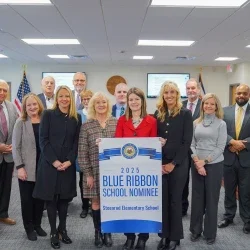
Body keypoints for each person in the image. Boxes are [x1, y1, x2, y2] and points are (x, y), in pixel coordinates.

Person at [33, 85, 81, 249]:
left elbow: (76, 143)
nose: (64, 99)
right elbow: (43, 141)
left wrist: (69, 160)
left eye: (67, 96)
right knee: (51, 200)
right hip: (49, 165)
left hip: (67, 166)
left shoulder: (76, 118)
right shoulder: (47, 114)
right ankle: (53, 231)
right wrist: (54, 161)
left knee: (64, 199)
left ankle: (63, 229)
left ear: (71, 98)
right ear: (56, 98)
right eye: (61, 96)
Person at [115, 87, 157, 250]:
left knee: (143, 204)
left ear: (142, 101)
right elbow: (117, 143)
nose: (133, 102)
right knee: (128, 204)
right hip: (126, 170)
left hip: (145, 171)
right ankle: (130, 236)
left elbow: (153, 144)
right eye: (130, 99)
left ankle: (143, 237)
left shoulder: (151, 121)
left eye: (136, 99)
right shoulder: (121, 120)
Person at [154, 81, 193, 250]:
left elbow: (186, 142)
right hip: (161, 164)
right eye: (166, 92)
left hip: (179, 164)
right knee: (162, 201)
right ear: (162, 95)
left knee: (175, 201)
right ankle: (164, 235)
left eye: (172, 92)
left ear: (177, 94)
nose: (169, 95)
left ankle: (175, 238)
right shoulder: (158, 113)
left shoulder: (185, 113)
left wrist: (173, 163)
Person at [78, 92, 117, 248]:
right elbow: (82, 152)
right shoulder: (87, 125)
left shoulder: (115, 122)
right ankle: (97, 231)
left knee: (108, 202)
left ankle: (107, 232)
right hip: (93, 170)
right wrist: (87, 174)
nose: (101, 105)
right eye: (97, 103)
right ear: (93, 105)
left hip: (112, 171)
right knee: (95, 202)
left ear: (108, 105)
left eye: (104, 102)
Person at [189, 93, 227, 245]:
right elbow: (191, 144)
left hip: (214, 165)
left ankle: (210, 233)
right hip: (196, 163)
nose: (208, 106)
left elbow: (220, 147)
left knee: (211, 200)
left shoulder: (221, 124)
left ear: (216, 106)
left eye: (212, 104)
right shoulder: (195, 122)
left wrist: (205, 162)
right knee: (197, 199)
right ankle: (195, 230)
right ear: (202, 105)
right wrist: (197, 161)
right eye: (206, 103)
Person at [12, 93, 47, 241]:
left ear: (39, 104)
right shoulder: (21, 122)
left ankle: (38, 225)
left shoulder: (45, 120)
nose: (32, 107)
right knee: (27, 200)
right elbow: (15, 147)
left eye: (34, 104)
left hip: (43, 167)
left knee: (40, 199)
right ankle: (29, 227)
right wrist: (20, 167)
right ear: (25, 108)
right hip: (26, 168)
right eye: (29, 105)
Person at [218, 84, 250, 234]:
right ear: (235, 94)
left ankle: (247, 219)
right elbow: (220, 130)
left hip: (246, 158)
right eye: (238, 93)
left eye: (244, 93)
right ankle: (228, 216)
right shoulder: (225, 111)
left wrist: (243, 144)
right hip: (229, 156)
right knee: (229, 189)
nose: (241, 96)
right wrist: (232, 142)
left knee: (245, 191)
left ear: (248, 94)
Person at [181, 78, 201, 216]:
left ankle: (199, 209)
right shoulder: (180, 105)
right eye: (188, 88)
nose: (191, 91)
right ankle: (183, 208)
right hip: (183, 150)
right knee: (182, 180)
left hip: (199, 150)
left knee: (199, 181)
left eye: (193, 88)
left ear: (198, 90)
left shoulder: (204, 105)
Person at [0, 79, 18, 226]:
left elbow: (16, 128)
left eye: (5, 90)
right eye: (0, 89)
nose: (2, 93)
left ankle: (3, 214)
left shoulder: (11, 107)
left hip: (9, 156)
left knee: (6, 187)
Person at [77, 89, 94, 218]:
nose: (87, 101)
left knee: (95, 180)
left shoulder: (97, 114)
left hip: (94, 152)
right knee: (83, 179)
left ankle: (94, 205)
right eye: (84, 99)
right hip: (82, 152)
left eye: (89, 98)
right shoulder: (77, 114)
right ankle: (84, 206)